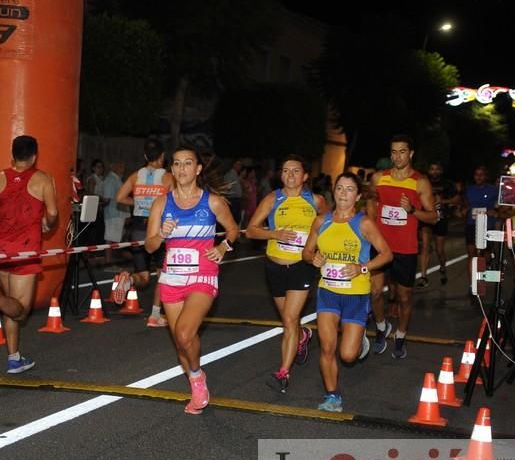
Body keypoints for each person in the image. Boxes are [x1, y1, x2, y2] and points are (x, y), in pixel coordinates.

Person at [145, 145, 239, 415]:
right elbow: (150, 246)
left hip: (203, 276)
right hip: (171, 278)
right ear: (171, 169)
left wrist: (223, 247)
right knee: (181, 342)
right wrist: (162, 234)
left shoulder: (212, 202)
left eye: (188, 163)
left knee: (185, 333)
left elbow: (233, 229)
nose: (181, 168)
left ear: (198, 169)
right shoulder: (162, 203)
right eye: (176, 164)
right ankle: (197, 380)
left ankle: (196, 378)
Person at [0, 135, 58, 374]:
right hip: (25, 250)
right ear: (35, 156)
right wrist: (47, 224)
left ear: (13, 154)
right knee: (21, 310)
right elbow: (53, 213)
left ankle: (14, 358)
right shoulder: (43, 180)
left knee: (11, 305)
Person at [303, 172, 392, 412]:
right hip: (327, 292)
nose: (343, 193)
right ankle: (332, 396)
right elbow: (306, 252)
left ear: (358, 195)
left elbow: (386, 253)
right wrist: (315, 258)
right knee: (327, 347)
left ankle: (359, 338)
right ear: (334, 191)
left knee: (348, 355)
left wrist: (362, 267)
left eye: (349, 189)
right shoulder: (322, 221)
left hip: (356, 295)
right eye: (340, 188)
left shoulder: (363, 223)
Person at [247, 155, 328, 393]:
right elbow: (251, 230)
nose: (290, 175)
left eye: (295, 171)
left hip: (301, 267)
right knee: (288, 320)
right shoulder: (273, 199)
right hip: (274, 267)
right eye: (285, 171)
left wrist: (320, 252)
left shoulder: (316, 201)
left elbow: (331, 227)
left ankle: (283, 373)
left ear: (305, 176)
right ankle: (303, 335)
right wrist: (275, 235)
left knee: (290, 320)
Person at [366, 134, 437, 359]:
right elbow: (370, 202)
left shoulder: (420, 182)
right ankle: (380, 327)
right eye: (394, 152)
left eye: (402, 151)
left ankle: (401, 335)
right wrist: (369, 229)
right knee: (375, 292)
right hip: (381, 247)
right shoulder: (379, 178)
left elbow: (433, 217)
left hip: (405, 249)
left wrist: (413, 211)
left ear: (411, 153)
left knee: (405, 297)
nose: (398, 156)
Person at [113, 138, 174, 327]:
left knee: (143, 276)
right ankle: (155, 315)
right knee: (163, 273)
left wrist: (138, 203)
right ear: (163, 157)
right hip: (158, 229)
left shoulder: (135, 176)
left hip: (138, 228)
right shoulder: (167, 177)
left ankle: (129, 279)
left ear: (146, 156)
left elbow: (120, 197)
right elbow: (174, 202)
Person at [416, 163, 459, 288]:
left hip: (441, 217)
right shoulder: (423, 182)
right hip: (426, 217)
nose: (434, 171)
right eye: (432, 168)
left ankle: (443, 267)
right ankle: (424, 276)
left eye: (437, 169)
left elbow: (457, 199)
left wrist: (443, 201)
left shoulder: (447, 184)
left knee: (439, 250)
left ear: (441, 170)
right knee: (425, 246)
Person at [461, 165, 500, 288]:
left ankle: (485, 272)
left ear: (486, 176)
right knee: (472, 254)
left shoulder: (493, 190)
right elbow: (464, 205)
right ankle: (473, 284)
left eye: (481, 175)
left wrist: (495, 212)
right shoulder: (469, 190)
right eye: (476, 174)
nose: (478, 177)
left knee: (484, 255)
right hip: (472, 224)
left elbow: (500, 207)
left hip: (487, 225)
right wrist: (463, 210)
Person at [102, 160, 129, 264]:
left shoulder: (117, 179)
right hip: (113, 214)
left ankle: (112, 260)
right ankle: (108, 263)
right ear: (114, 167)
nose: (123, 169)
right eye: (121, 166)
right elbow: (107, 199)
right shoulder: (111, 180)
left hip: (118, 214)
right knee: (110, 239)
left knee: (116, 239)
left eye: (123, 167)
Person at [84, 159, 107, 247]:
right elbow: (91, 193)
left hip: (100, 206)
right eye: (98, 167)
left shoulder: (102, 179)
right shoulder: (92, 179)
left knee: (99, 229)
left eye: (102, 167)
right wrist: (101, 198)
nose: (101, 169)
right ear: (93, 168)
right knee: (93, 229)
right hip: (93, 207)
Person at [223, 158, 244, 225]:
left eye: (240, 164)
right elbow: (227, 187)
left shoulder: (236, 174)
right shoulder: (230, 174)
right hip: (232, 199)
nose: (239, 166)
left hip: (236, 199)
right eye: (238, 164)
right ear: (233, 165)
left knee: (237, 218)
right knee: (234, 218)